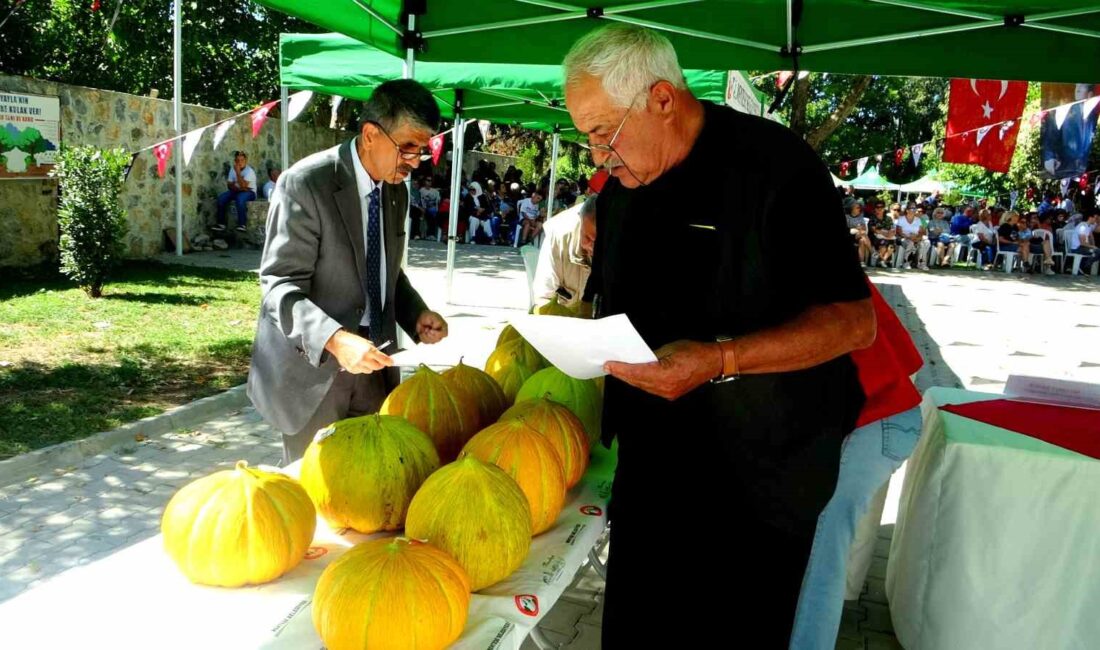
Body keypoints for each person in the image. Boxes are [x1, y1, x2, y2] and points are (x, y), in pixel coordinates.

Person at [564, 24, 874, 646]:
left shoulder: (777, 168)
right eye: (586, 138)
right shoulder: (623, 190)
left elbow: (852, 322)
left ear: (661, 99)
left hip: (759, 486)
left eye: (603, 134)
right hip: (654, 475)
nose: (598, 156)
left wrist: (718, 359)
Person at [247, 79, 449, 465]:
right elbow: (279, 285)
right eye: (407, 147)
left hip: (377, 364)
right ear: (371, 134)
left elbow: (385, 270)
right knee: (314, 498)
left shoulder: (395, 190)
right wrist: (336, 340)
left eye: (421, 151)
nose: (414, 162)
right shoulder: (306, 184)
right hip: (313, 374)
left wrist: (416, 313)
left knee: (368, 488)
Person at [790, 280, 923, 649]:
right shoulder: (841, 276)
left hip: (876, 424)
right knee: (823, 548)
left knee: (823, 551)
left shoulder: (806, 286)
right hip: (892, 418)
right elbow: (911, 358)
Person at [531, 174, 603, 311]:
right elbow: (543, 297)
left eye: (599, 241)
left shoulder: (624, 238)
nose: (592, 246)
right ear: (580, 224)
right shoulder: (559, 234)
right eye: (588, 238)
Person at [214, 150, 258, 232]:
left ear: (246, 161)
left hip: (250, 192)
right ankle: (221, 224)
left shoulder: (249, 171)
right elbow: (229, 185)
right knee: (221, 198)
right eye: (238, 160)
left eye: (242, 160)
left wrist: (238, 173)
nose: (240, 162)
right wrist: (240, 188)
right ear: (235, 161)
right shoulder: (232, 169)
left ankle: (242, 224)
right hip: (237, 191)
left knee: (240, 199)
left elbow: (243, 186)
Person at [895, 205, 930, 270]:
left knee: (922, 244)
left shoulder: (918, 220)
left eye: (915, 209)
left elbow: (921, 232)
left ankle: (921, 263)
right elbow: (899, 232)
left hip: (915, 237)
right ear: (907, 210)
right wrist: (909, 237)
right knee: (910, 243)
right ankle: (906, 262)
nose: (914, 210)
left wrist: (918, 238)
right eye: (912, 209)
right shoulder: (901, 219)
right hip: (904, 238)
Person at [1067, 209, 1100, 274]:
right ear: (1090, 218)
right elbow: (1082, 243)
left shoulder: (1089, 226)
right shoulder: (1083, 226)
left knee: (1097, 251)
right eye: (1095, 218)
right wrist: (1093, 247)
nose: (1096, 220)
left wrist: (1093, 246)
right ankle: (1085, 267)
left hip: (1082, 248)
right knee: (1098, 251)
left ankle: (1084, 266)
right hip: (1077, 249)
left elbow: (1092, 236)